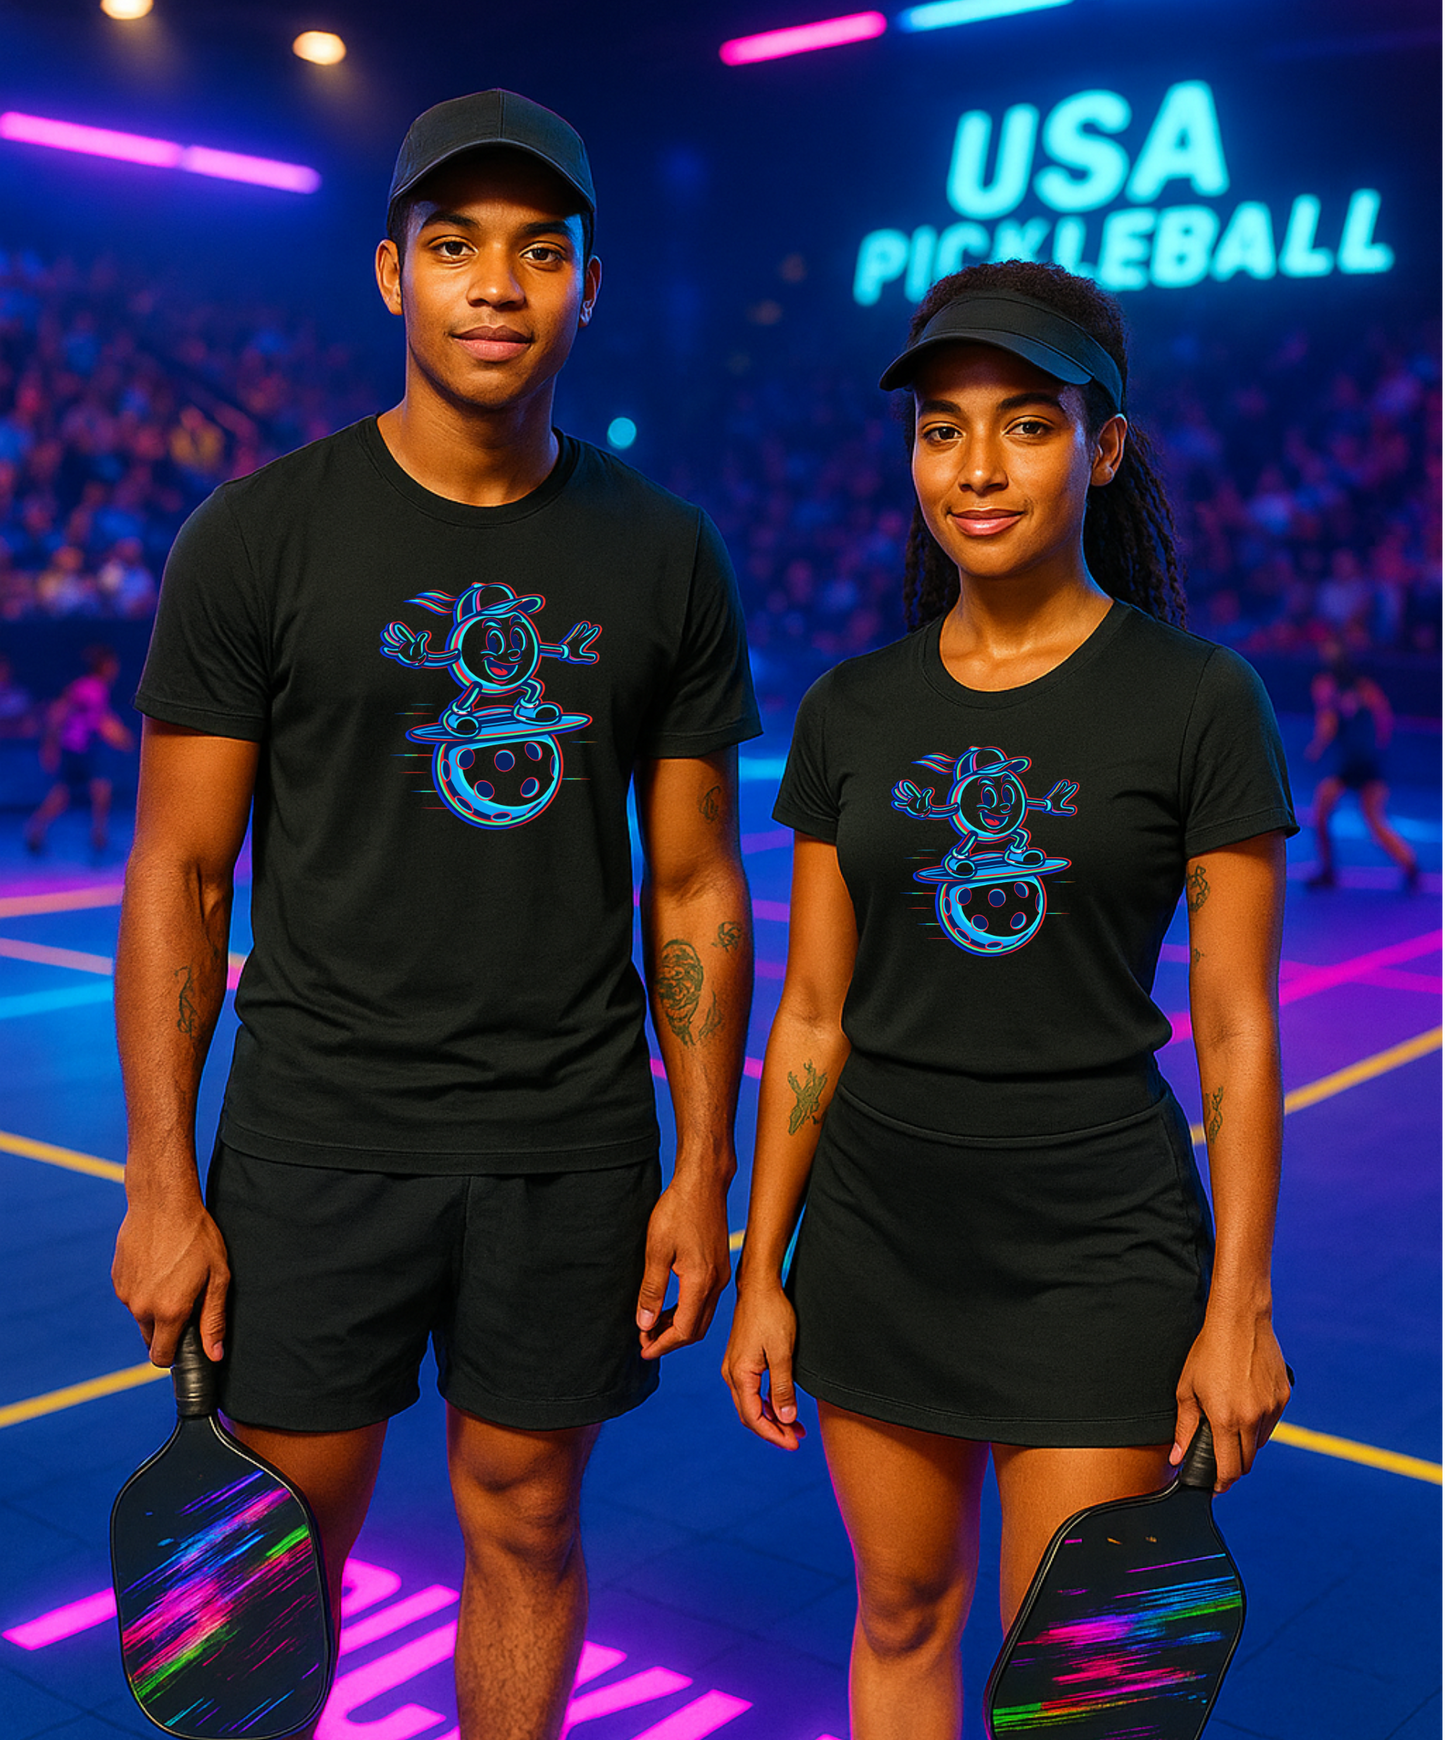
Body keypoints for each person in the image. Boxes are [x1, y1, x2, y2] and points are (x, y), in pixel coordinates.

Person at [112, 90, 759, 1740]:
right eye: (456, 246)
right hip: (319, 1138)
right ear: (391, 275)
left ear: (587, 289)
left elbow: (692, 882)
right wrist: (165, 1183)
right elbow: (180, 879)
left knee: (530, 1531)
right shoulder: (253, 538)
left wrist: (702, 1170)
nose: (496, 283)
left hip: (566, 1143)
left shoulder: (667, 556)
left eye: (540, 251)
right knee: (269, 1561)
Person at [722, 261, 1296, 1738]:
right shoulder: (851, 709)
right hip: (878, 1233)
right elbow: (809, 1016)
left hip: (1094, 1248)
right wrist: (760, 1264)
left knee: (1087, 1692)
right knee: (901, 1619)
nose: (974, 467)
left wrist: (1235, 1303)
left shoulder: (1197, 700)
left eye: (1025, 424)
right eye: (939, 429)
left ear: (1102, 448)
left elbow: (1235, 1030)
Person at [1305, 639, 1418, 891]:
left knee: (1366, 819)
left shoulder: (1334, 687)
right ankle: (1408, 865)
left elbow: (1329, 723)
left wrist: (1317, 748)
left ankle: (1409, 864)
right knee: (1329, 812)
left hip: (1359, 761)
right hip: (1357, 761)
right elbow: (1382, 717)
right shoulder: (1360, 687)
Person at [24, 644, 132, 854]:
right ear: (105, 666)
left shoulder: (94, 688)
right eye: (113, 665)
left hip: (82, 749)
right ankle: (96, 836)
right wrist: (50, 745)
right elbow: (63, 713)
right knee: (89, 791)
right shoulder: (89, 688)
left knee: (91, 790)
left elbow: (100, 718)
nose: (116, 669)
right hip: (76, 749)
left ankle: (94, 836)